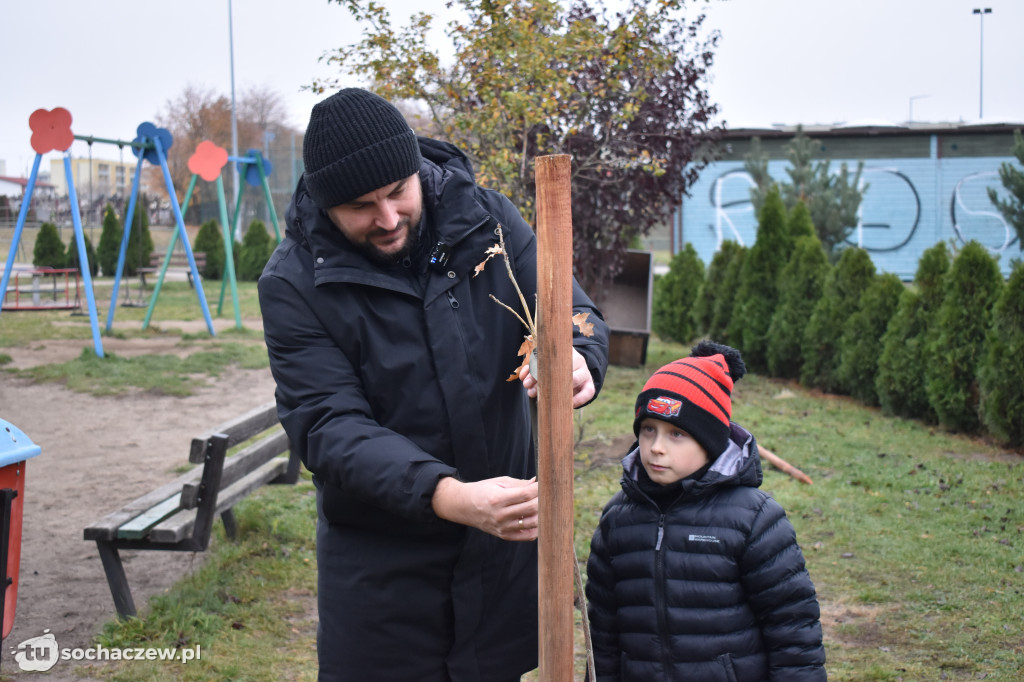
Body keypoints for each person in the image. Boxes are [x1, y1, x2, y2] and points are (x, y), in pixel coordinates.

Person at [258, 88, 610, 681]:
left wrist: (577, 356)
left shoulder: (488, 223)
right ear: (325, 204)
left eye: (398, 192)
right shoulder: (296, 284)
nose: (389, 219)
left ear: (415, 170)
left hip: (502, 567)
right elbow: (329, 426)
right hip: (384, 583)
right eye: (361, 208)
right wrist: (449, 496)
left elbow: (573, 311)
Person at [585, 341, 826, 681]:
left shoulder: (754, 520)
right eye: (648, 429)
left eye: (677, 434)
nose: (656, 447)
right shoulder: (617, 522)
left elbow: (792, 629)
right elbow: (604, 638)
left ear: (710, 443)